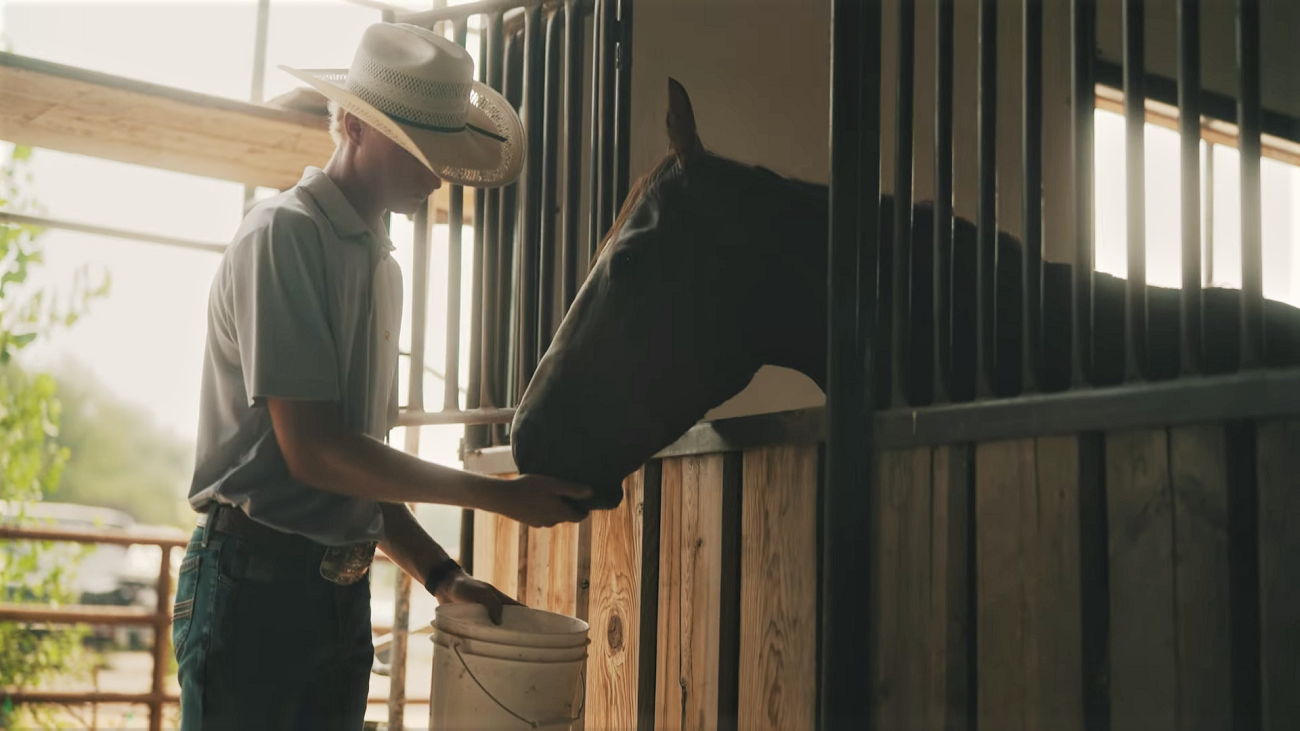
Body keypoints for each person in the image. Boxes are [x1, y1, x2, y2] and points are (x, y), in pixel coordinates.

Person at [173, 22, 591, 730]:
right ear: (356, 125)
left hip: (338, 594)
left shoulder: (382, 268)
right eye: (422, 150)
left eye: (446, 155)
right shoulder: (283, 235)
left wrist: (442, 575)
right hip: (254, 587)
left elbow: (358, 473)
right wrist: (500, 498)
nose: (438, 173)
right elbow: (315, 452)